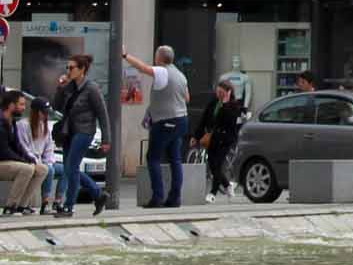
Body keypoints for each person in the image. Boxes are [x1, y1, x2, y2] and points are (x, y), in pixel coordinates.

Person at [124, 46, 191, 208]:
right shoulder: (181, 75)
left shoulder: (163, 71)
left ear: (159, 58)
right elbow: (187, 98)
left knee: (153, 158)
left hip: (165, 120)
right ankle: (175, 198)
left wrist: (125, 55)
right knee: (175, 159)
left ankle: (157, 198)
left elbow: (142, 68)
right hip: (182, 119)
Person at [56, 54, 110, 217]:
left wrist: (106, 139)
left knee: (72, 167)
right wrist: (60, 88)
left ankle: (69, 206)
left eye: (72, 68)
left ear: (82, 70)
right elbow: (56, 106)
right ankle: (98, 194)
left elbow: (102, 113)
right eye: (67, 67)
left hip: (84, 131)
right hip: (68, 132)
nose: (68, 71)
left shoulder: (92, 88)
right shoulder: (69, 87)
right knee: (68, 168)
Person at [195, 77, 245, 201]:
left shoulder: (234, 105)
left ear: (228, 92)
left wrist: (225, 104)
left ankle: (212, 193)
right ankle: (228, 185)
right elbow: (204, 119)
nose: (219, 95)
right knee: (213, 165)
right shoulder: (213, 102)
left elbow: (230, 121)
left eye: (221, 93)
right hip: (213, 138)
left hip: (226, 139)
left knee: (218, 165)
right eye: (217, 92)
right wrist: (196, 136)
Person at [0, 91, 43, 215]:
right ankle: (10, 206)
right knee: (27, 169)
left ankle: (22, 205)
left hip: (7, 161)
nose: (24, 108)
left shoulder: (11, 121)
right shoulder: (1, 123)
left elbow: (18, 146)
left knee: (41, 169)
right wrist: (24, 161)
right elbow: (4, 152)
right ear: (11, 105)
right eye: (21, 105)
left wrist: (31, 159)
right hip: (2, 161)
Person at [19, 99, 62, 215]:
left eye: (47, 112)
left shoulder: (44, 127)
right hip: (29, 160)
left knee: (65, 170)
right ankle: (45, 203)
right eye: (43, 112)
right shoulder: (23, 125)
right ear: (36, 112)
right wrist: (39, 162)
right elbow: (23, 148)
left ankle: (58, 202)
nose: (45, 115)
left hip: (42, 161)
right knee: (49, 170)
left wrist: (48, 161)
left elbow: (49, 149)